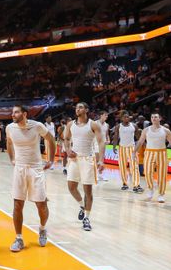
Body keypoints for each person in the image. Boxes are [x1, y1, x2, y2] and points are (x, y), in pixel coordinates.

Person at [7, 105, 56, 252]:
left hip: (36, 168)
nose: (13, 115)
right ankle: (19, 238)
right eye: (12, 112)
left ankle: (42, 228)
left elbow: (51, 139)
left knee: (41, 205)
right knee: (17, 204)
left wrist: (51, 160)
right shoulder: (10, 128)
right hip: (20, 168)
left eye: (16, 112)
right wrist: (12, 159)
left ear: (24, 114)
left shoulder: (37, 126)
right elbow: (9, 143)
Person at [63, 103, 104, 231]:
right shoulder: (70, 124)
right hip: (74, 159)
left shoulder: (93, 124)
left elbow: (101, 141)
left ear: (86, 109)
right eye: (76, 107)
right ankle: (82, 205)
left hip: (87, 159)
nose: (77, 109)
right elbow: (66, 138)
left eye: (80, 107)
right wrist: (68, 150)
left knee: (88, 191)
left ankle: (87, 218)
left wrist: (101, 160)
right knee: (71, 187)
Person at [135, 113, 171, 204]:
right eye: (152, 117)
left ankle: (161, 194)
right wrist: (134, 152)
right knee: (147, 173)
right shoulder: (146, 130)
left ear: (160, 118)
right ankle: (151, 190)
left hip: (162, 153)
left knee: (162, 175)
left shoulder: (166, 130)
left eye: (156, 117)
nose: (153, 118)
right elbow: (140, 142)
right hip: (149, 152)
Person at [114, 111, 141, 192]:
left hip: (132, 148)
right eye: (125, 117)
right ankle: (125, 183)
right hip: (122, 147)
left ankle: (136, 184)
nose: (127, 118)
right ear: (121, 118)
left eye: (128, 117)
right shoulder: (118, 126)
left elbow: (138, 137)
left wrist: (139, 146)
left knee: (135, 166)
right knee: (122, 166)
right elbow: (116, 137)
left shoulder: (134, 126)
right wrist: (114, 146)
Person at [94, 110, 110, 181]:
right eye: (105, 115)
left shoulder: (107, 125)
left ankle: (100, 175)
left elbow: (107, 134)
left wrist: (108, 140)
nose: (106, 116)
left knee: (102, 160)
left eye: (107, 115)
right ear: (101, 115)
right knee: (97, 160)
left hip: (103, 144)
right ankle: (95, 175)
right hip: (96, 143)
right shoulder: (95, 123)